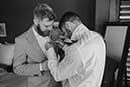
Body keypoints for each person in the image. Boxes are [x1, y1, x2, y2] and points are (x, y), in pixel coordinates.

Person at [45, 12, 106, 87]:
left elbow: (57, 74)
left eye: (64, 32)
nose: (66, 36)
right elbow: (82, 58)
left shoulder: (77, 50)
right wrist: (64, 47)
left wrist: (50, 50)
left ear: (68, 25)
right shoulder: (98, 38)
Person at [13, 3, 60, 87]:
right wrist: (41, 67)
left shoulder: (54, 31)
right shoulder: (21, 41)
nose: (50, 29)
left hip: (57, 83)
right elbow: (17, 68)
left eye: (52, 25)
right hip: (38, 84)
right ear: (36, 22)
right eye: (46, 26)